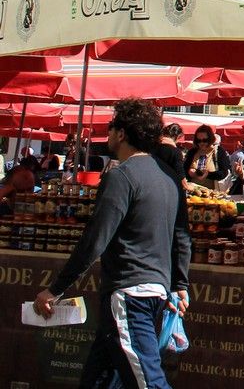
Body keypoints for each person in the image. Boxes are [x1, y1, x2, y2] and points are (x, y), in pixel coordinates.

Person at [33, 99, 192, 389]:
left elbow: (96, 238)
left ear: (121, 133)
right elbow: (181, 236)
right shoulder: (169, 177)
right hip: (153, 291)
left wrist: (55, 289)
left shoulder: (121, 175)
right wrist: (180, 283)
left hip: (129, 294)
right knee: (98, 382)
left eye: (110, 128)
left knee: (149, 382)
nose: (107, 135)